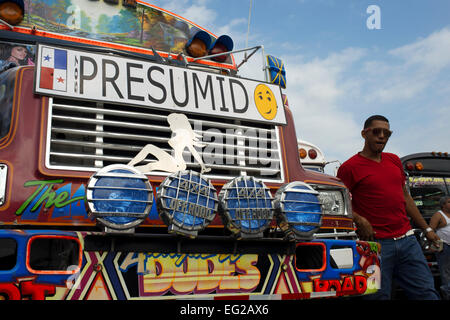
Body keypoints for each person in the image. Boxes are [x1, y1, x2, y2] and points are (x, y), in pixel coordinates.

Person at [337, 115, 440, 299]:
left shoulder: (393, 161)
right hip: (373, 247)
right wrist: (359, 219)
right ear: (364, 134)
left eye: (387, 133)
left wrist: (428, 229)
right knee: (375, 296)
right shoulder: (349, 167)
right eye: (376, 131)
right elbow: (339, 203)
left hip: (407, 241)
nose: (382, 136)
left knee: (426, 293)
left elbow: (406, 198)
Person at [429, 196, 450, 299]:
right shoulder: (438, 215)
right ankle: (447, 294)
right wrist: (435, 245)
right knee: (445, 272)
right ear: (443, 205)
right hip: (444, 246)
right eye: (449, 202)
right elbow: (430, 231)